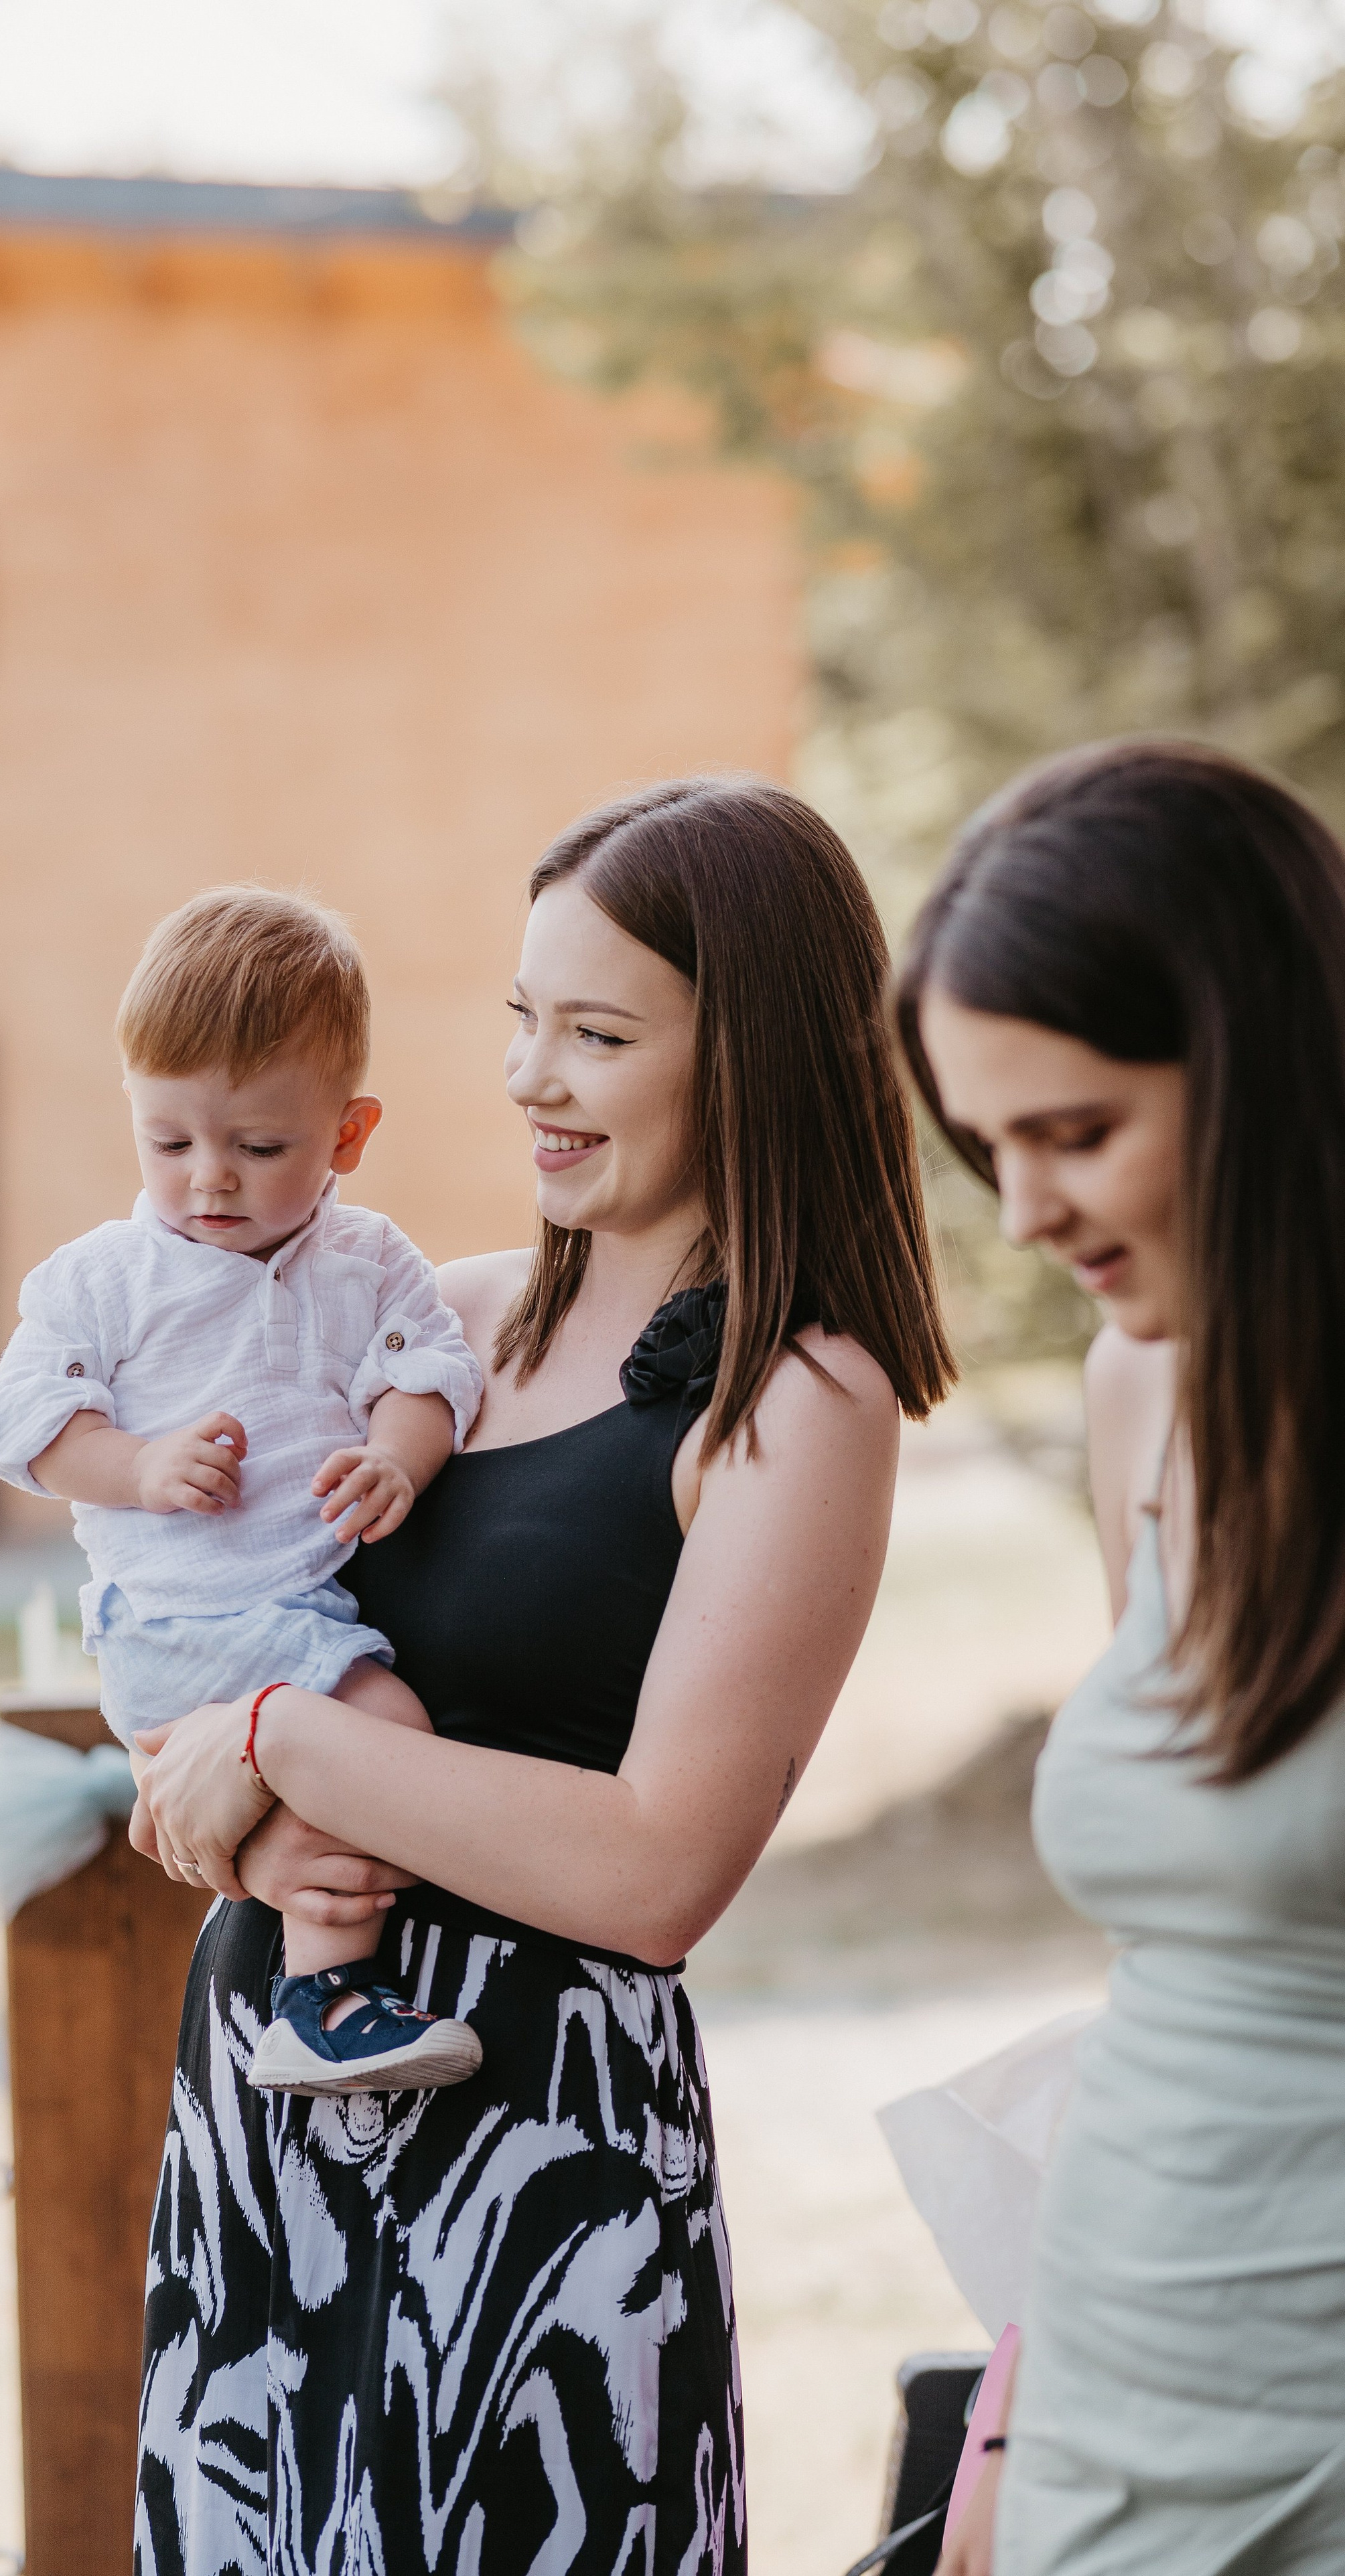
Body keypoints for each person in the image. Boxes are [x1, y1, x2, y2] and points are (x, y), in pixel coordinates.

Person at [128, 777, 953, 2575]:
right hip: (272, 2122)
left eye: (595, 1033)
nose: (529, 1077)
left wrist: (284, 1747)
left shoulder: (795, 1396)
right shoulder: (420, 1313)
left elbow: (656, 1874)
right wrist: (246, 1819)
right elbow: (187, 1605)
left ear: (748, 1058)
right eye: (520, 1019)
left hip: (535, 2172)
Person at [899, 741, 1345, 2575]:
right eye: (988, 1146)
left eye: (1076, 1135)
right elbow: (1154, 1973)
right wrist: (1016, 2404)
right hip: (1116, 2401)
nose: (1023, 1215)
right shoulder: (1139, 1386)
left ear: (1262, 1067)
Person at [0, 885, 486, 2094]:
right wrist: (141, 1470)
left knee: (370, 1760)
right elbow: (28, 1424)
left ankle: (293, 1941)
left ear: (349, 1135)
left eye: (259, 1148)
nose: (209, 1178)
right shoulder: (102, 1280)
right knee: (393, 1740)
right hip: (174, 1627)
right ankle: (323, 1989)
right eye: (170, 1143)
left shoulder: (365, 1261)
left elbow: (433, 1370)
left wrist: (395, 1457)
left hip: (299, 1616)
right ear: (134, 1115)